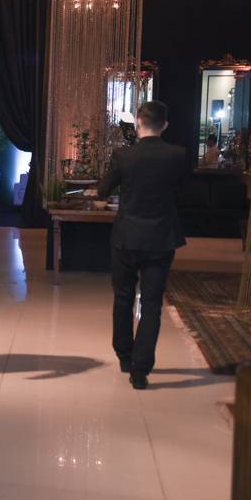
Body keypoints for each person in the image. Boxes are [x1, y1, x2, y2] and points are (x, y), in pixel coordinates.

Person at [88, 101, 189, 389]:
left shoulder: (124, 155)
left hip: (126, 237)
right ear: (165, 125)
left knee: (123, 297)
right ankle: (140, 370)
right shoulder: (178, 155)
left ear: (137, 122)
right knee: (152, 304)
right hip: (161, 237)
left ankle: (124, 356)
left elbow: (104, 189)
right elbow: (182, 190)